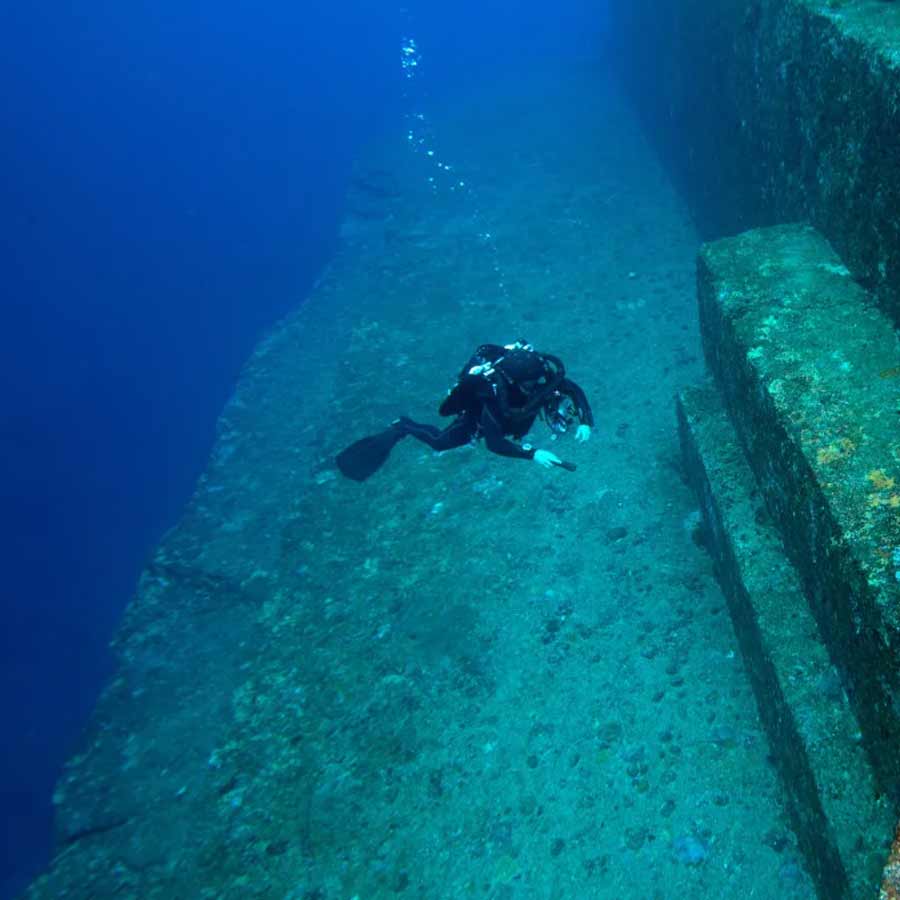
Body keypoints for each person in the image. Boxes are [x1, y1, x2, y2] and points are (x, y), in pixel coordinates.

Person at [336, 340, 593, 481]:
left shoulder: (538, 374)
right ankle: (402, 426)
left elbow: (572, 389)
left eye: (538, 381)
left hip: (514, 417)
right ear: (514, 382)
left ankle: (403, 426)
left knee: (531, 410)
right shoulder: (493, 395)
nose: (538, 387)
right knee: (439, 443)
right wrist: (533, 454)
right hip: (478, 418)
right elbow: (494, 443)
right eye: (530, 384)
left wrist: (585, 421)